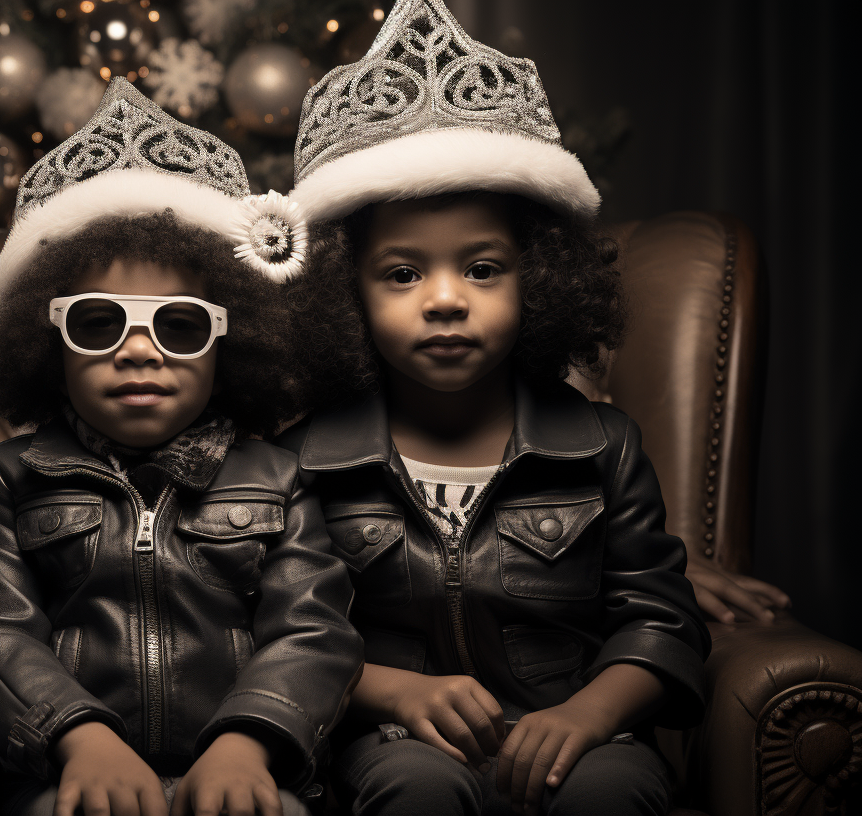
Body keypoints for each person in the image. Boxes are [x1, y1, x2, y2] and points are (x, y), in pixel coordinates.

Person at [276, 2, 711, 814]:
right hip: (395, 744)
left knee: (613, 794)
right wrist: (395, 694)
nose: (445, 301)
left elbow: (661, 621)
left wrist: (591, 713)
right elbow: (286, 632)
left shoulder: (601, 446)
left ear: (540, 281)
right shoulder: (308, 460)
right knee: (413, 792)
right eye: (403, 274)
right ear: (346, 295)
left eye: (482, 269)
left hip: (582, 738)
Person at [0, 79, 362, 816]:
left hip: (247, 772)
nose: (139, 352)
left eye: (180, 326)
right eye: (98, 324)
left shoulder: (279, 480)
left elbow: (314, 631)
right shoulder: (9, 478)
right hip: (66, 774)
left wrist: (249, 740)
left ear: (232, 340)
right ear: (46, 340)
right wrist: (77, 737)